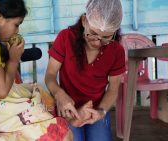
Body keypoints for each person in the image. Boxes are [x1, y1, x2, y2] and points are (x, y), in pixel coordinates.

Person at [0, 0, 72, 140]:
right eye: (16, 25)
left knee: (44, 100)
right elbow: (1, 91)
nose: (17, 31)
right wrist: (14, 60)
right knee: (59, 131)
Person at [45, 0, 125, 140]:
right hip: (67, 108)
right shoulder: (66, 38)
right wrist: (59, 94)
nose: (97, 42)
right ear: (84, 21)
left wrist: (101, 111)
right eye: (93, 33)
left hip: (96, 108)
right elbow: (50, 76)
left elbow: (113, 89)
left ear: (115, 31)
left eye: (106, 37)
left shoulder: (116, 50)